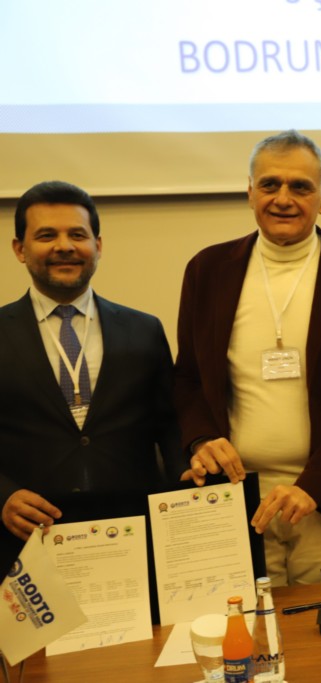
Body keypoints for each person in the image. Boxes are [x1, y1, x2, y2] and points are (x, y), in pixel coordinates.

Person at [174, 130, 321, 586]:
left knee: (320, 624)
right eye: (269, 185)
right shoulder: (208, 270)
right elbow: (189, 378)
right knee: (251, 621)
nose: (283, 199)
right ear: (249, 192)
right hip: (236, 495)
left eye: (300, 187)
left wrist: (314, 486)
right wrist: (200, 440)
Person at [1, 181, 179, 570]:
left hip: (132, 539)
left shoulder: (144, 330)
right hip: (28, 546)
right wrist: (3, 497)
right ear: (19, 248)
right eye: (46, 235)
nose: (64, 246)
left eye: (77, 235)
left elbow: (170, 429)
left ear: (98, 246)